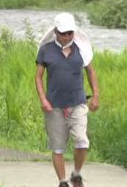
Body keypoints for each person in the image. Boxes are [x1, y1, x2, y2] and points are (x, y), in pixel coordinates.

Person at [35, 12, 99, 187]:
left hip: (77, 103)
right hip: (54, 106)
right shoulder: (46, 50)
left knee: (81, 140)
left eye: (70, 33)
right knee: (58, 146)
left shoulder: (81, 48)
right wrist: (43, 99)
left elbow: (91, 71)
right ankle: (62, 181)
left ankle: (76, 174)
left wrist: (96, 95)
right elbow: (39, 77)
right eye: (63, 33)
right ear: (55, 31)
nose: (67, 36)